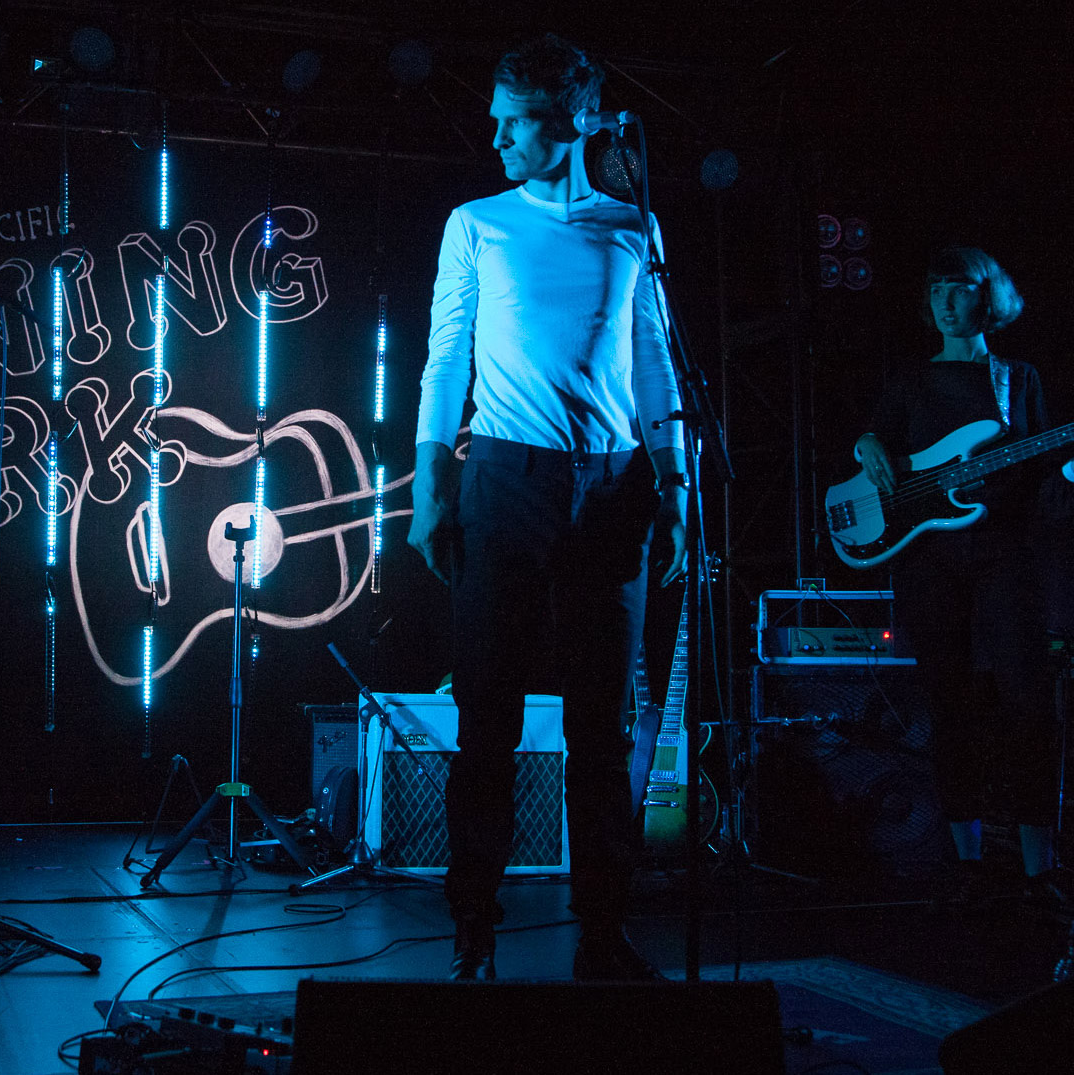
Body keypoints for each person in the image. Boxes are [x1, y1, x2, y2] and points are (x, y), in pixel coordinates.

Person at [409, 34, 688, 981]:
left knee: (601, 723)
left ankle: (604, 928)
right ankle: (472, 924)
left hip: (614, 486)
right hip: (505, 479)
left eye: (512, 118)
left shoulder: (632, 226)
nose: (494, 134)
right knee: (487, 710)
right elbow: (447, 355)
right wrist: (426, 484)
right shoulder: (476, 222)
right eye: (495, 116)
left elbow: (654, 366)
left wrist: (677, 477)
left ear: (572, 121)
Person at [852, 247, 1074, 892]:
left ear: (988, 298)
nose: (947, 300)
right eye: (938, 288)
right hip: (927, 560)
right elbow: (875, 444)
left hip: (1004, 554)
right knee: (949, 706)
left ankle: (1040, 869)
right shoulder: (910, 380)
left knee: (1030, 705)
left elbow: (1037, 476)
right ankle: (966, 865)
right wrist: (865, 444)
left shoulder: (1017, 379)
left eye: (962, 288)